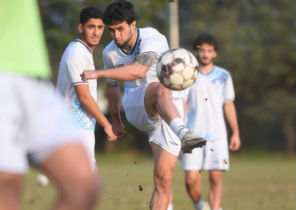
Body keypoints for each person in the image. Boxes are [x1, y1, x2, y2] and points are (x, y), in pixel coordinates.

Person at [80, 1, 206, 209]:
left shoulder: (153, 38)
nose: (116, 36)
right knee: (160, 87)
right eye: (111, 31)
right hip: (135, 104)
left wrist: (98, 73)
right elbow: (113, 88)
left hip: (168, 110)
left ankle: (182, 134)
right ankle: (184, 133)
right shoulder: (109, 53)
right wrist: (116, 121)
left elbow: (139, 69)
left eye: (120, 29)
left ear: (133, 24)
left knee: (164, 180)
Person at [0, 1, 99, 210]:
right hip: (3, 71)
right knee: (7, 191)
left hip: (34, 74)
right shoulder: (77, 52)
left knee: (84, 187)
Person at [181, 33, 241, 210]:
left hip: (218, 135)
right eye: (202, 50)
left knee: (216, 178)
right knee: (191, 181)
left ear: (215, 53)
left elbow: (228, 105)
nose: (206, 54)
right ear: (195, 52)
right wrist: (180, 134)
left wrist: (235, 133)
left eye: (210, 50)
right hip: (192, 135)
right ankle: (200, 205)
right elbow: (182, 105)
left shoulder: (224, 76)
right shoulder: (186, 75)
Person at [56, 7, 118, 174]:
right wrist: (106, 125)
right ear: (81, 27)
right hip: (75, 127)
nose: (96, 32)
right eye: (91, 27)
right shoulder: (77, 54)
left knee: (91, 184)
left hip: (79, 126)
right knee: (83, 189)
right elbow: (83, 96)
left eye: (100, 27)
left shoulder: (82, 51)